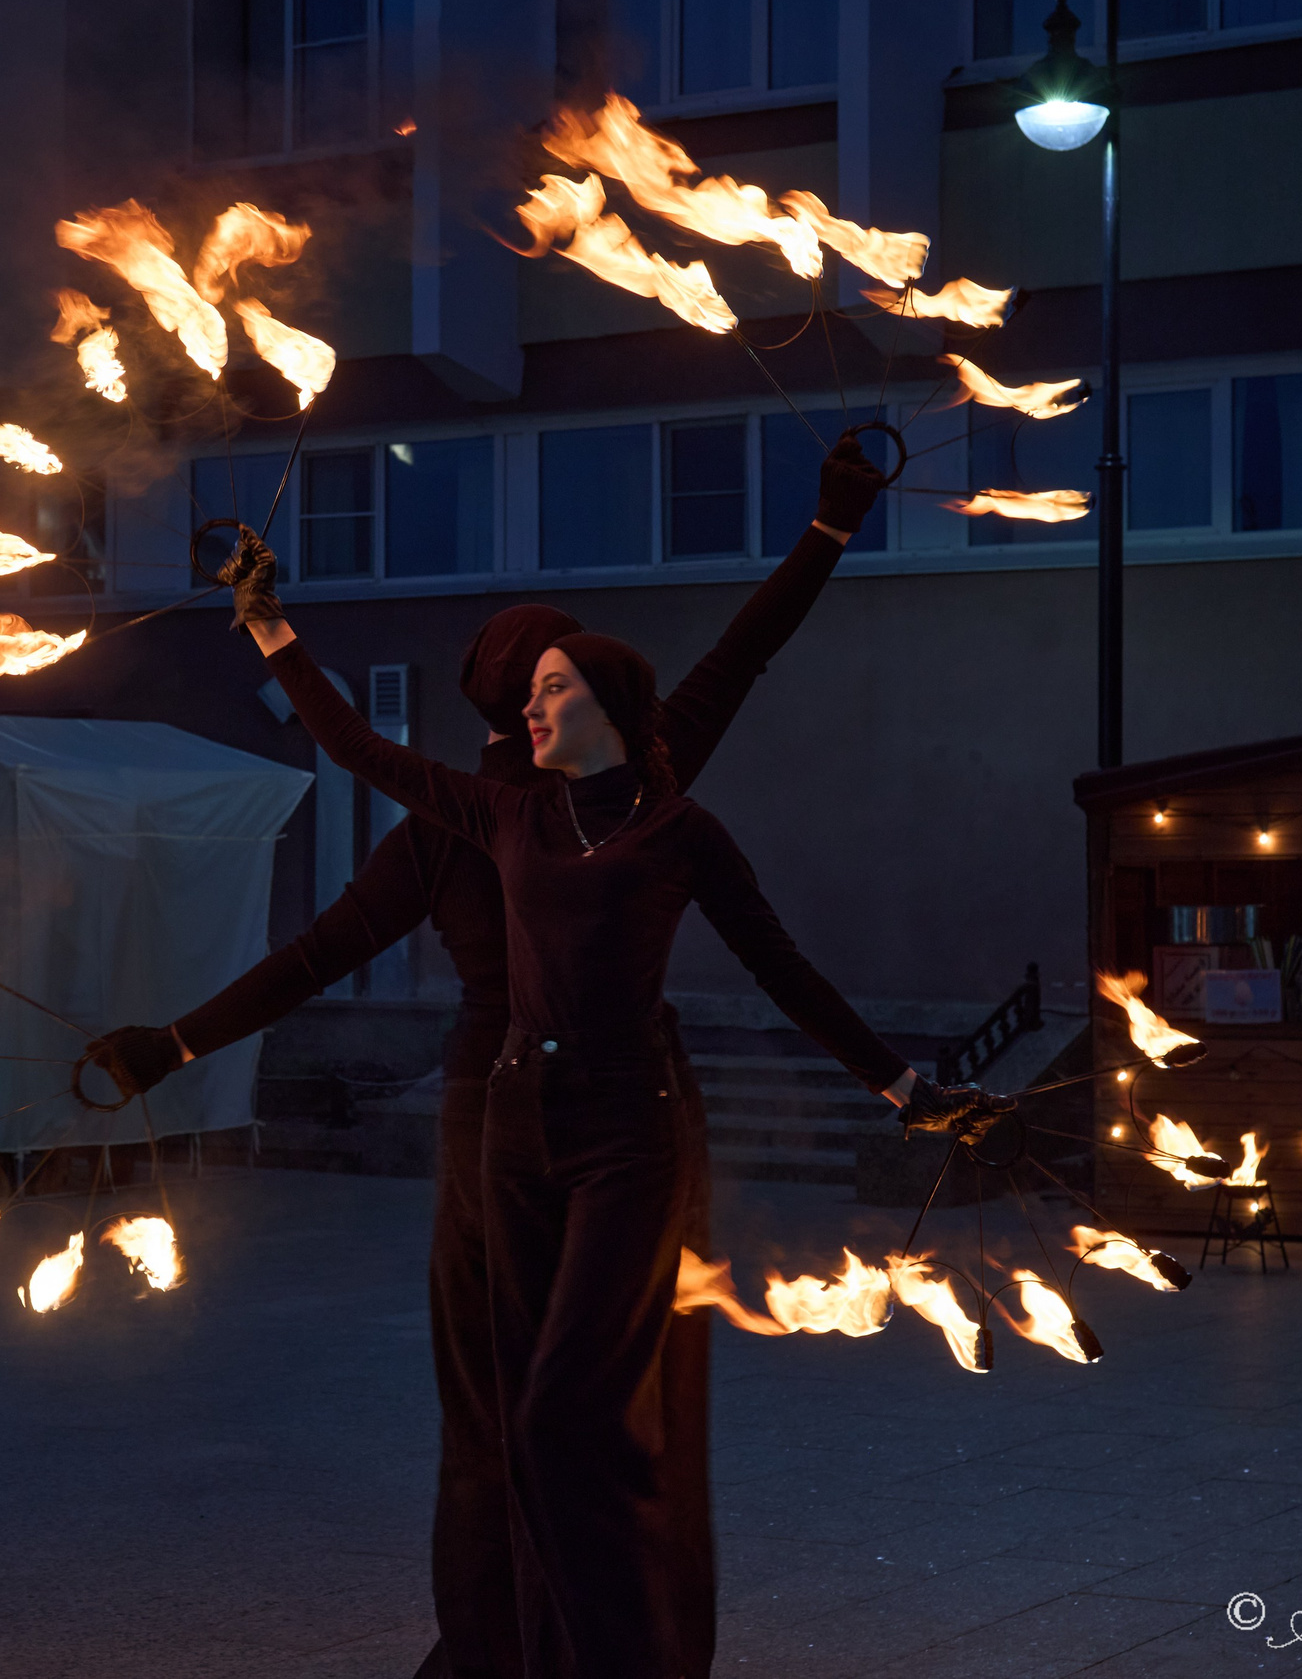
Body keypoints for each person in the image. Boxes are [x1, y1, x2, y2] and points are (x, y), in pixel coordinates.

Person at [86, 441, 890, 1679]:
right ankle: (540, 1647)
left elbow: (314, 950)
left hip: (541, 1115)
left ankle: (521, 1648)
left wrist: (173, 1042)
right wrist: (830, 528)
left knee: (518, 1405)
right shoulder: (539, 797)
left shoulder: (538, 799)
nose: (562, 687)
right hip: (548, 1115)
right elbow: (748, 648)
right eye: (551, 668)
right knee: (575, 1406)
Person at [222, 564, 991, 1679]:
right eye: (523, 689)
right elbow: (352, 749)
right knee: (520, 1422)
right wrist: (268, 625)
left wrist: (905, 1089)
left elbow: (782, 969)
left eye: (551, 685)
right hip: (511, 1120)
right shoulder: (498, 814)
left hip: (629, 1127)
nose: (528, 707)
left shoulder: (677, 826)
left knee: (563, 1421)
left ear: (609, 704)